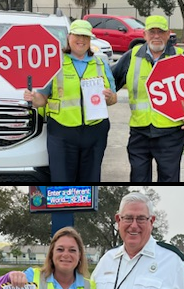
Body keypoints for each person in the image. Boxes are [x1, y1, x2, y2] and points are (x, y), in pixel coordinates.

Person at [111, 15, 184, 182]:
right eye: (152, 32)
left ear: (168, 34)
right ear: (144, 35)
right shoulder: (131, 57)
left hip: (171, 134)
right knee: (138, 181)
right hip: (140, 132)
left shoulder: (180, 57)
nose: (156, 36)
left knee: (169, 180)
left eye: (160, 32)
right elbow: (109, 81)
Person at [24, 20, 117, 182]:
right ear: (69, 37)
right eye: (77, 35)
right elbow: (42, 100)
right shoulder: (54, 63)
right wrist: (32, 99)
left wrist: (110, 97)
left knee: (90, 182)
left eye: (85, 36)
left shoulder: (101, 63)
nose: (81, 40)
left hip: (94, 132)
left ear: (90, 40)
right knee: (62, 181)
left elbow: (113, 99)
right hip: (62, 132)